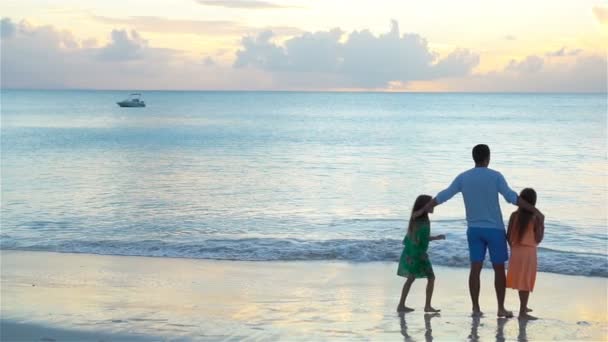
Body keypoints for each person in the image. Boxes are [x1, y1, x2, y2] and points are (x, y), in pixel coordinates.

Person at [413, 144, 544, 317]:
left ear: (474, 158)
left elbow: (444, 195)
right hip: (494, 230)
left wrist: (424, 209)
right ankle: (500, 308)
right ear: (488, 158)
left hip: (474, 229)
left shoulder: (463, 177)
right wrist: (535, 211)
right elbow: (512, 198)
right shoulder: (495, 176)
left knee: (475, 269)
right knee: (498, 269)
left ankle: (476, 308)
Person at [397, 194, 446, 313]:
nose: (434, 205)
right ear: (425, 205)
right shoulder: (417, 217)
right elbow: (415, 215)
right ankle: (403, 305)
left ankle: (424, 306)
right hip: (414, 254)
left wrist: (435, 238)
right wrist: (425, 207)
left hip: (420, 253)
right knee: (415, 278)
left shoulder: (425, 219)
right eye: (432, 203)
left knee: (426, 278)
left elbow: (422, 238)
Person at [506, 188, 544, 320]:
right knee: (526, 281)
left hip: (516, 251)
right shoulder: (535, 217)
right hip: (528, 252)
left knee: (521, 280)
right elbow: (538, 238)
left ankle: (524, 306)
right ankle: (522, 312)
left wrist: (514, 247)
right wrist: (542, 222)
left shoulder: (514, 215)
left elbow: (508, 235)